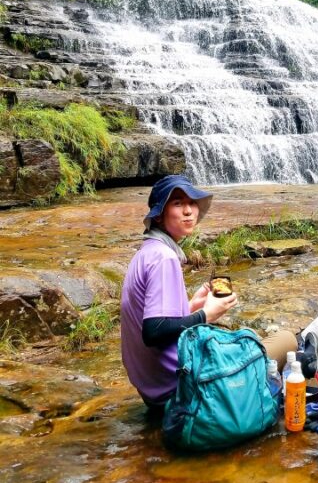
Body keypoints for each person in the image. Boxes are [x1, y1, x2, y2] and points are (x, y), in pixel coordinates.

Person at [120, 174, 297, 410]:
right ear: (160, 215)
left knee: (251, 339)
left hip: (154, 391)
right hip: (181, 390)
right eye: (177, 203)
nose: (188, 211)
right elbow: (154, 332)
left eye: (192, 203)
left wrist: (192, 307)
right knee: (287, 340)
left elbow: (153, 320)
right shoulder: (164, 258)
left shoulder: (147, 252)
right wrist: (207, 316)